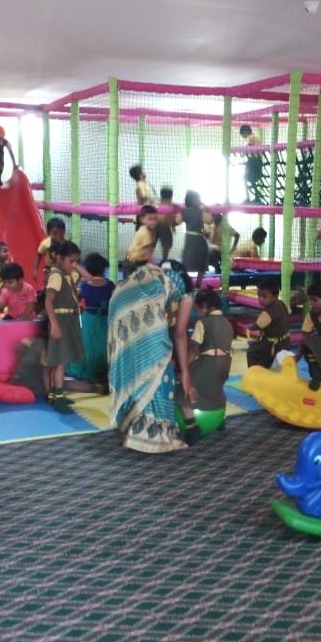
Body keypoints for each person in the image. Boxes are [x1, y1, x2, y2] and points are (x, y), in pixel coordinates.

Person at [108, 259, 196, 453]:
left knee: (134, 370)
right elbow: (180, 333)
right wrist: (185, 373)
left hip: (118, 303)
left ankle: (129, 430)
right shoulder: (187, 292)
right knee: (160, 374)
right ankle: (155, 438)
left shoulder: (153, 277)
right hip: (142, 319)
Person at [176, 287, 232, 442]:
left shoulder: (203, 322)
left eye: (197, 309)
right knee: (217, 388)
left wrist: (183, 368)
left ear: (205, 307)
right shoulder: (227, 323)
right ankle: (221, 419)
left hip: (209, 363)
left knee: (182, 388)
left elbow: (194, 349)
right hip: (225, 363)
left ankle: (191, 425)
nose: (197, 312)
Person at [44, 241, 84, 413]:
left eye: (76, 261)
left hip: (68, 320)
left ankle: (55, 395)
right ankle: (58, 398)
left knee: (62, 360)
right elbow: (48, 301)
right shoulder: (57, 275)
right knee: (60, 361)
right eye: (71, 261)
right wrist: (54, 324)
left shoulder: (67, 274)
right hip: (60, 320)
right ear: (60, 259)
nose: (74, 265)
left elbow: (87, 277)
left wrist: (74, 264)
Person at [66, 252, 114, 388]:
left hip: (88, 321)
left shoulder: (84, 286)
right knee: (104, 345)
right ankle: (104, 370)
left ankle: (89, 372)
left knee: (88, 346)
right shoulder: (110, 285)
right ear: (103, 269)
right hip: (106, 321)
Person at [246, 275, 291, 369]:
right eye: (259, 296)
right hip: (286, 341)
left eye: (264, 296)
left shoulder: (268, 312)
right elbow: (289, 312)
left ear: (275, 296)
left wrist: (250, 326)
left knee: (252, 351)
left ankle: (254, 372)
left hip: (272, 344)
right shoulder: (282, 303)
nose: (260, 299)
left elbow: (258, 325)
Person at [176, 191, 210, 288]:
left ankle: (197, 285)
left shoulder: (199, 211)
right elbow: (177, 221)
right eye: (197, 198)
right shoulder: (186, 211)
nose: (199, 200)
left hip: (198, 239)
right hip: (192, 239)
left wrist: (206, 208)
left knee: (201, 264)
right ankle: (188, 284)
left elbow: (209, 221)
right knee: (187, 262)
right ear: (191, 200)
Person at [35, 217, 67, 283]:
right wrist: (35, 270)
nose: (58, 236)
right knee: (47, 282)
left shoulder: (66, 243)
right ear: (48, 233)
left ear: (64, 232)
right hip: (49, 268)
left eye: (61, 233)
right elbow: (39, 256)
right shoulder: (45, 244)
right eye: (55, 233)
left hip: (62, 268)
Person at [239, 124, 265, 202]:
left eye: (242, 134)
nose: (243, 137)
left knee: (245, 177)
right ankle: (256, 196)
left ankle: (249, 197)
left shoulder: (250, 137)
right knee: (250, 178)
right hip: (258, 160)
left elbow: (249, 147)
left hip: (253, 160)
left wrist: (243, 153)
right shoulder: (256, 138)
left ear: (245, 132)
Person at [156, 187, 176, 260]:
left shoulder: (159, 204)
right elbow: (172, 217)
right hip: (162, 227)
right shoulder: (170, 205)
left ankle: (164, 260)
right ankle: (164, 259)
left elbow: (172, 217)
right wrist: (173, 227)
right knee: (167, 246)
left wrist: (173, 226)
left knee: (167, 246)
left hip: (161, 227)